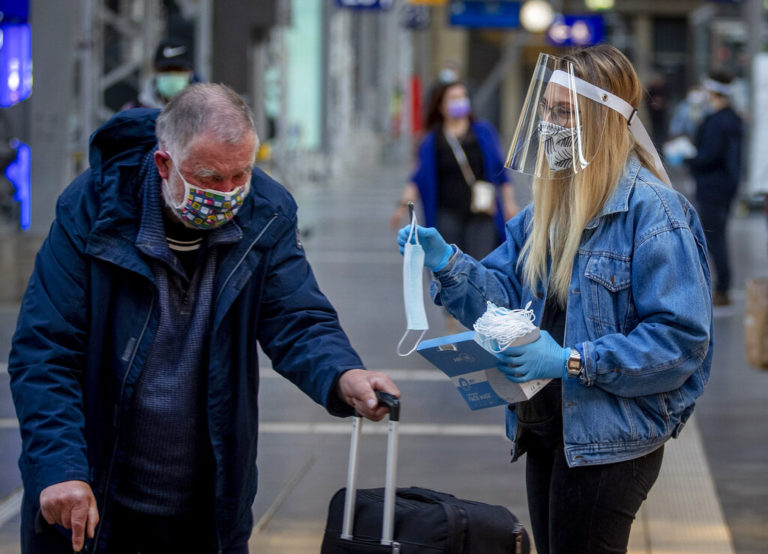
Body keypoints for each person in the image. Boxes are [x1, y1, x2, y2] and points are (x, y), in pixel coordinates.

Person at [9, 83, 400, 553]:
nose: (228, 193)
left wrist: (343, 374)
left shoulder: (266, 213)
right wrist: (61, 470)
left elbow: (296, 316)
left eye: (241, 175)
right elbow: (45, 351)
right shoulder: (93, 210)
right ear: (164, 163)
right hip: (91, 499)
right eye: (211, 178)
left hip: (207, 507)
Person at [397, 44, 712, 553]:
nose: (549, 124)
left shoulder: (655, 215)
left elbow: (680, 342)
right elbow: (500, 301)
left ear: (606, 119)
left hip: (608, 441)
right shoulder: (552, 211)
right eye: (545, 110)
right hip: (547, 430)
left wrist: (571, 359)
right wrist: (446, 263)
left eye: (564, 112)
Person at [391, 80, 518, 261]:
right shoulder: (431, 140)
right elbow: (419, 177)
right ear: (441, 106)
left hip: (481, 213)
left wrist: (509, 203)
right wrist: (403, 206)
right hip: (447, 214)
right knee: (451, 266)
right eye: (453, 98)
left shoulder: (484, 132)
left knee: (482, 263)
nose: (459, 101)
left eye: (462, 96)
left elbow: (501, 171)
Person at [686, 71, 744, 306]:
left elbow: (708, 156)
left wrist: (687, 157)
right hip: (726, 186)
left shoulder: (717, 122)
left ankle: (722, 288)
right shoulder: (732, 119)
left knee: (713, 238)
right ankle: (723, 286)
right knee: (718, 236)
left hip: (712, 187)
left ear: (712, 92)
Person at [122, 38, 197, 110]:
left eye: (179, 70)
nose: (172, 74)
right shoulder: (132, 112)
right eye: (166, 69)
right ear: (155, 71)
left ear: (191, 72)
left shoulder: (203, 112)